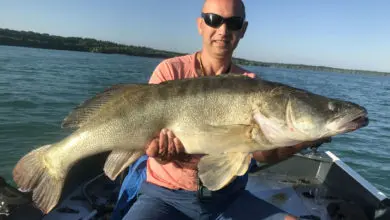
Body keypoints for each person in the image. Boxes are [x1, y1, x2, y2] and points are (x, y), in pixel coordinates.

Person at [117, 0, 331, 219]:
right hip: (165, 196)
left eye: (233, 23)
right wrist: (161, 154)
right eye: (213, 20)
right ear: (200, 25)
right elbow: (150, 140)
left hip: (228, 199)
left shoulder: (252, 84)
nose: (223, 30)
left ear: (243, 29)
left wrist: (304, 139)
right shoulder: (170, 71)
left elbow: (263, 154)